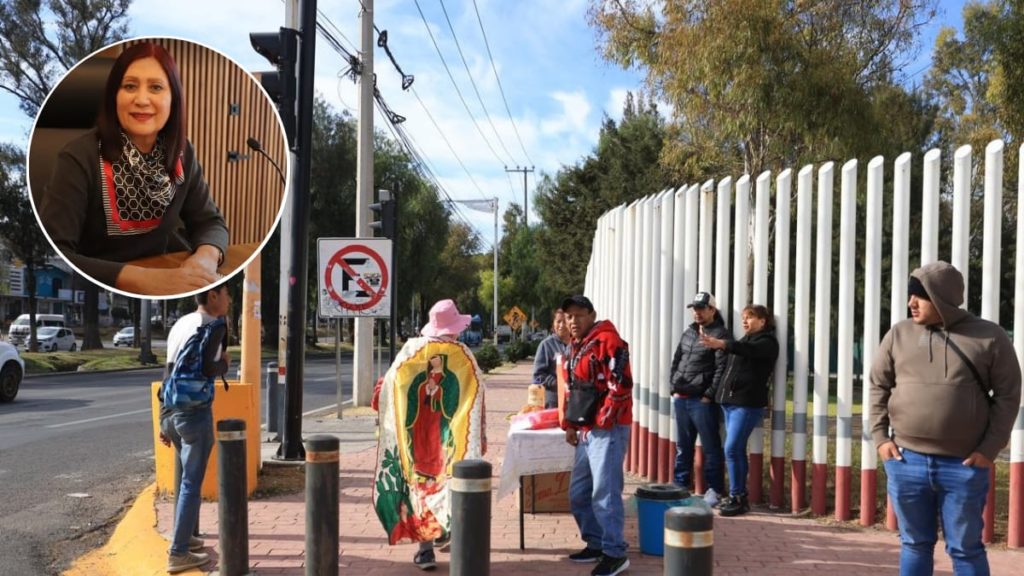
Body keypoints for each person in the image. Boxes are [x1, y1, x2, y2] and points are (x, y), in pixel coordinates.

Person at [39, 42, 228, 296]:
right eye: (129, 86)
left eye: (156, 87)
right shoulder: (78, 158)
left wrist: (205, 257)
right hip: (97, 291)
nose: (141, 99)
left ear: (173, 99)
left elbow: (210, 222)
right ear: (113, 96)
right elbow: (57, 253)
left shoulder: (183, 153)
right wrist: (142, 280)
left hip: (165, 280)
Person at [870, 261, 1021, 576]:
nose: (911, 303)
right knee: (914, 543)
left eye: (920, 296)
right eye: (911, 295)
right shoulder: (898, 334)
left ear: (943, 297)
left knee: (965, 549)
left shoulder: (989, 336)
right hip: (906, 460)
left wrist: (989, 448)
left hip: (963, 465)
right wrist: (881, 439)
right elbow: (878, 386)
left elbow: (1008, 396)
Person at [371, 299, 486, 571]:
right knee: (450, 482)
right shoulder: (462, 354)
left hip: (419, 437)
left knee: (421, 486)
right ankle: (443, 537)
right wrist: (477, 433)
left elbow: (388, 387)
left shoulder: (411, 352)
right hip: (447, 436)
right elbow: (476, 397)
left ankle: (427, 548)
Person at [560, 295, 632, 576]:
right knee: (578, 493)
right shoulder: (575, 346)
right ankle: (596, 541)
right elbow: (575, 389)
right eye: (569, 316)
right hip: (587, 429)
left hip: (608, 429)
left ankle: (615, 553)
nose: (573, 321)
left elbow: (622, 384)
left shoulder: (608, 341)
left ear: (592, 315)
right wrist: (571, 424)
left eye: (579, 315)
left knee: (606, 492)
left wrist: (604, 418)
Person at [162, 282, 231, 573]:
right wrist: (225, 364)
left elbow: (167, 372)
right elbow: (208, 368)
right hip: (195, 414)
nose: (229, 299)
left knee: (185, 479)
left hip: (171, 411)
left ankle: (186, 537)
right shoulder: (214, 325)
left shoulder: (181, 323)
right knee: (191, 482)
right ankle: (178, 552)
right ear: (213, 295)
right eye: (227, 293)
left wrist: (162, 422)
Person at [699, 304, 779, 517]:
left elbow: (749, 351)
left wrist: (722, 344)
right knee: (735, 450)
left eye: (750, 318)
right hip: (730, 403)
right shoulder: (743, 341)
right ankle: (737, 496)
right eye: (743, 317)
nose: (745, 321)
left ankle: (738, 496)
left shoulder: (767, 342)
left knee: (732, 449)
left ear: (763, 321)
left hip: (747, 404)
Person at [668, 291, 730, 505]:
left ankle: (714, 489)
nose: (697, 312)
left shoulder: (720, 335)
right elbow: (677, 359)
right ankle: (680, 484)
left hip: (701, 402)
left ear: (712, 310)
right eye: (695, 308)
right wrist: (672, 387)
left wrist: (708, 395)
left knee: (711, 446)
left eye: (702, 308)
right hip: (681, 397)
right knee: (683, 446)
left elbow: (721, 368)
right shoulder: (689, 333)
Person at [532, 309, 571, 409]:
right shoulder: (546, 345)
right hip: (553, 402)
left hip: (574, 400)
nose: (562, 325)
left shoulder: (578, 344)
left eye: (565, 321)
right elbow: (537, 377)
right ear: (553, 324)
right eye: (558, 321)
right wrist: (556, 383)